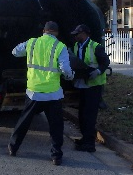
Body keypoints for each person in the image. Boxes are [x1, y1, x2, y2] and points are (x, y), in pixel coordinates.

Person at [8, 21, 74, 165]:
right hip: (53, 93)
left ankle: (13, 147)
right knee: (56, 126)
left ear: (44, 31)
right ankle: (56, 156)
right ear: (56, 32)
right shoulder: (60, 46)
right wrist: (70, 76)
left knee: (24, 121)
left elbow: (15, 52)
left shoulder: (32, 43)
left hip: (34, 92)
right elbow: (65, 69)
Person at [70, 23, 110, 153]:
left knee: (89, 115)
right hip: (82, 84)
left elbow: (105, 62)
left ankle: (89, 144)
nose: (75, 36)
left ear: (84, 33)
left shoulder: (96, 47)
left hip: (93, 86)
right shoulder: (77, 46)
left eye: (77, 34)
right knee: (82, 114)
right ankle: (85, 138)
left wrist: (98, 71)